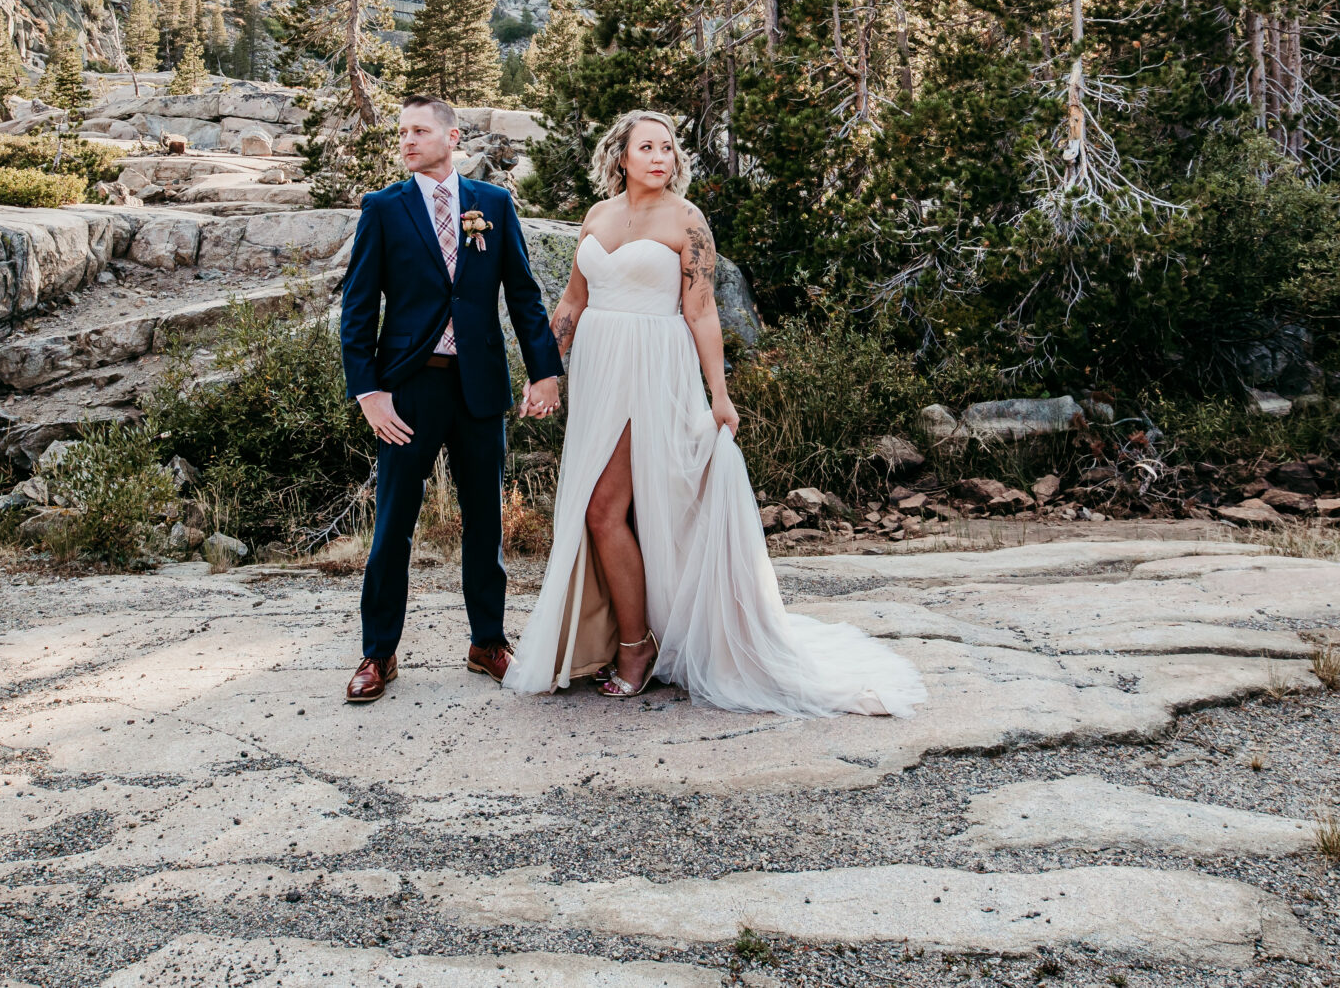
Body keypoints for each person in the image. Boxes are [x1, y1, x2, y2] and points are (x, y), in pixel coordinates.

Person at [503, 109, 926, 716]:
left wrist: (718, 393)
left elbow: (701, 312)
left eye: (668, 148)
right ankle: (629, 635)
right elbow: (573, 300)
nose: (659, 157)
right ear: (620, 155)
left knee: (603, 511)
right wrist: (546, 372)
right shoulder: (597, 217)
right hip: (599, 373)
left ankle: (636, 647)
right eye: (646, 146)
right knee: (609, 511)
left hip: (652, 372)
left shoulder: (687, 219)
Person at [338, 95, 563, 704]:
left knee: (485, 519)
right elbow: (358, 310)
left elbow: (523, 293)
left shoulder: (493, 204)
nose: (406, 140)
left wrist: (545, 372)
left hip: (479, 385)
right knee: (393, 527)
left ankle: (487, 641)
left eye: (418, 130)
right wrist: (369, 393)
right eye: (401, 132)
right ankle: (378, 653)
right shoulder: (383, 209)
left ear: (451, 136)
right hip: (408, 387)